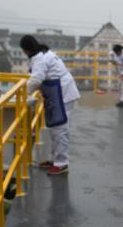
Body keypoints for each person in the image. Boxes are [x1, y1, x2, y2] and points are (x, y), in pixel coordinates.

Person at [21, 35, 81, 175]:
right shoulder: (43, 53)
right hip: (58, 92)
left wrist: (21, 95)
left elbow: (36, 80)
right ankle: (55, 159)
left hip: (62, 94)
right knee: (55, 129)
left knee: (60, 129)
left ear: (26, 50)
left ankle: (61, 163)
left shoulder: (40, 59)